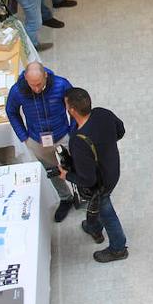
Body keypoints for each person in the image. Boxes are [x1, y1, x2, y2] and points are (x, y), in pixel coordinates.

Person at [60, 87, 130, 263]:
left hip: (101, 184)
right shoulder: (102, 113)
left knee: (106, 210)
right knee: (97, 205)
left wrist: (66, 175)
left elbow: (88, 180)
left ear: (72, 110)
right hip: (113, 170)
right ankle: (94, 227)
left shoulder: (78, 140)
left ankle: (118, 248)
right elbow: (120, 130)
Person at [6, 62, 77, 220]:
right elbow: (11, 111)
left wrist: (73, 130)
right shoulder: (17, 91)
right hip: (37, 140)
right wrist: (24, 137)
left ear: (45, 75)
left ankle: (83, 194)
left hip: (63, 135)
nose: (36, 89)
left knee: (77, 165)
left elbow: (74, 106)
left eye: (39, 84)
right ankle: (66, 198)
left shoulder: (61, 84)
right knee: (52, 171)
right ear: (25, 78)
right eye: (32, 85)